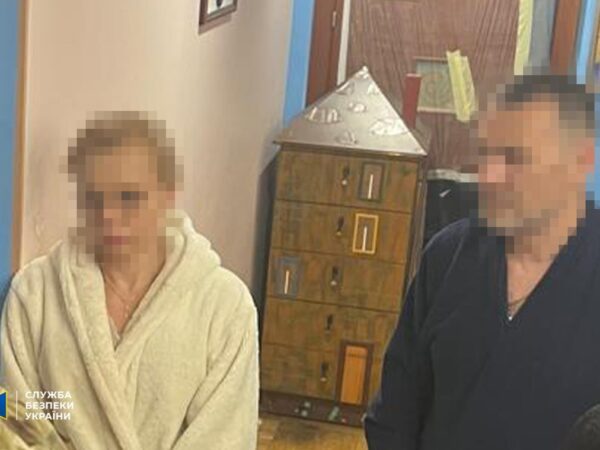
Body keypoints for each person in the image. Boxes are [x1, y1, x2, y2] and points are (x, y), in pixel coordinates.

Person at [364, 75, 600, 450]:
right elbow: (396, 410)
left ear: (579, 160)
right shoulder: (448, 257)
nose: (490, 176)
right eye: (486, 154)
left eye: (516, 157)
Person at [0, 112, 259, 450]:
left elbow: (226, 437)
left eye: (128, 197)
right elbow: (12, 417)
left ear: (168, 196)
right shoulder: (35, 293)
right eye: (93, 198)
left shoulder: (225, 305)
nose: (107, 215)